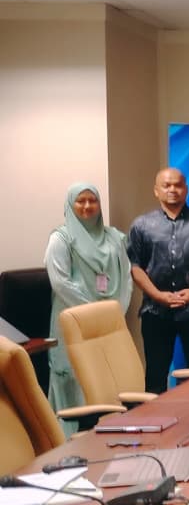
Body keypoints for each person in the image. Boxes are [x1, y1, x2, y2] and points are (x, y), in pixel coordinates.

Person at [128, 168, 189, 393]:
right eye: (166, 185)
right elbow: (135, 266)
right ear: (156, 190)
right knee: (155, 373)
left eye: (177, 185)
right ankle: (155, 415)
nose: (172, 189)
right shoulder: (142, 225)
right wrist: (157, 295)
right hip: (155, 309)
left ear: (186, 189)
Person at [44, 183, 132, 427]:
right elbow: (60, 282)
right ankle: (68, 437)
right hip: (73, 320)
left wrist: (116, 313)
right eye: (80, 201)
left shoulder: (114, 237)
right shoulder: (61, 238)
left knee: (108, 376)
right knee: (73, 378)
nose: (87, 206)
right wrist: (96, 313)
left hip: (109, 325)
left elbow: (126, 277)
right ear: (70, 205)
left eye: (92, 200)